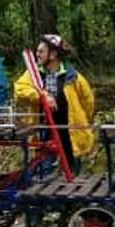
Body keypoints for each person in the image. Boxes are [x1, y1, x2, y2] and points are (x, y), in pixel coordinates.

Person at [13, 34, 95, 174]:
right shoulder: (34, 74)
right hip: (45, 128)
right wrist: (42, 96)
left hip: (69, 130)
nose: (37, 54)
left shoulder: (73, 77)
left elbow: (88, 102)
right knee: (45, 167)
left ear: (53, 55)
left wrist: (80, 120)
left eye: (41, 51)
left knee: (71, 169)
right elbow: (19, 90)